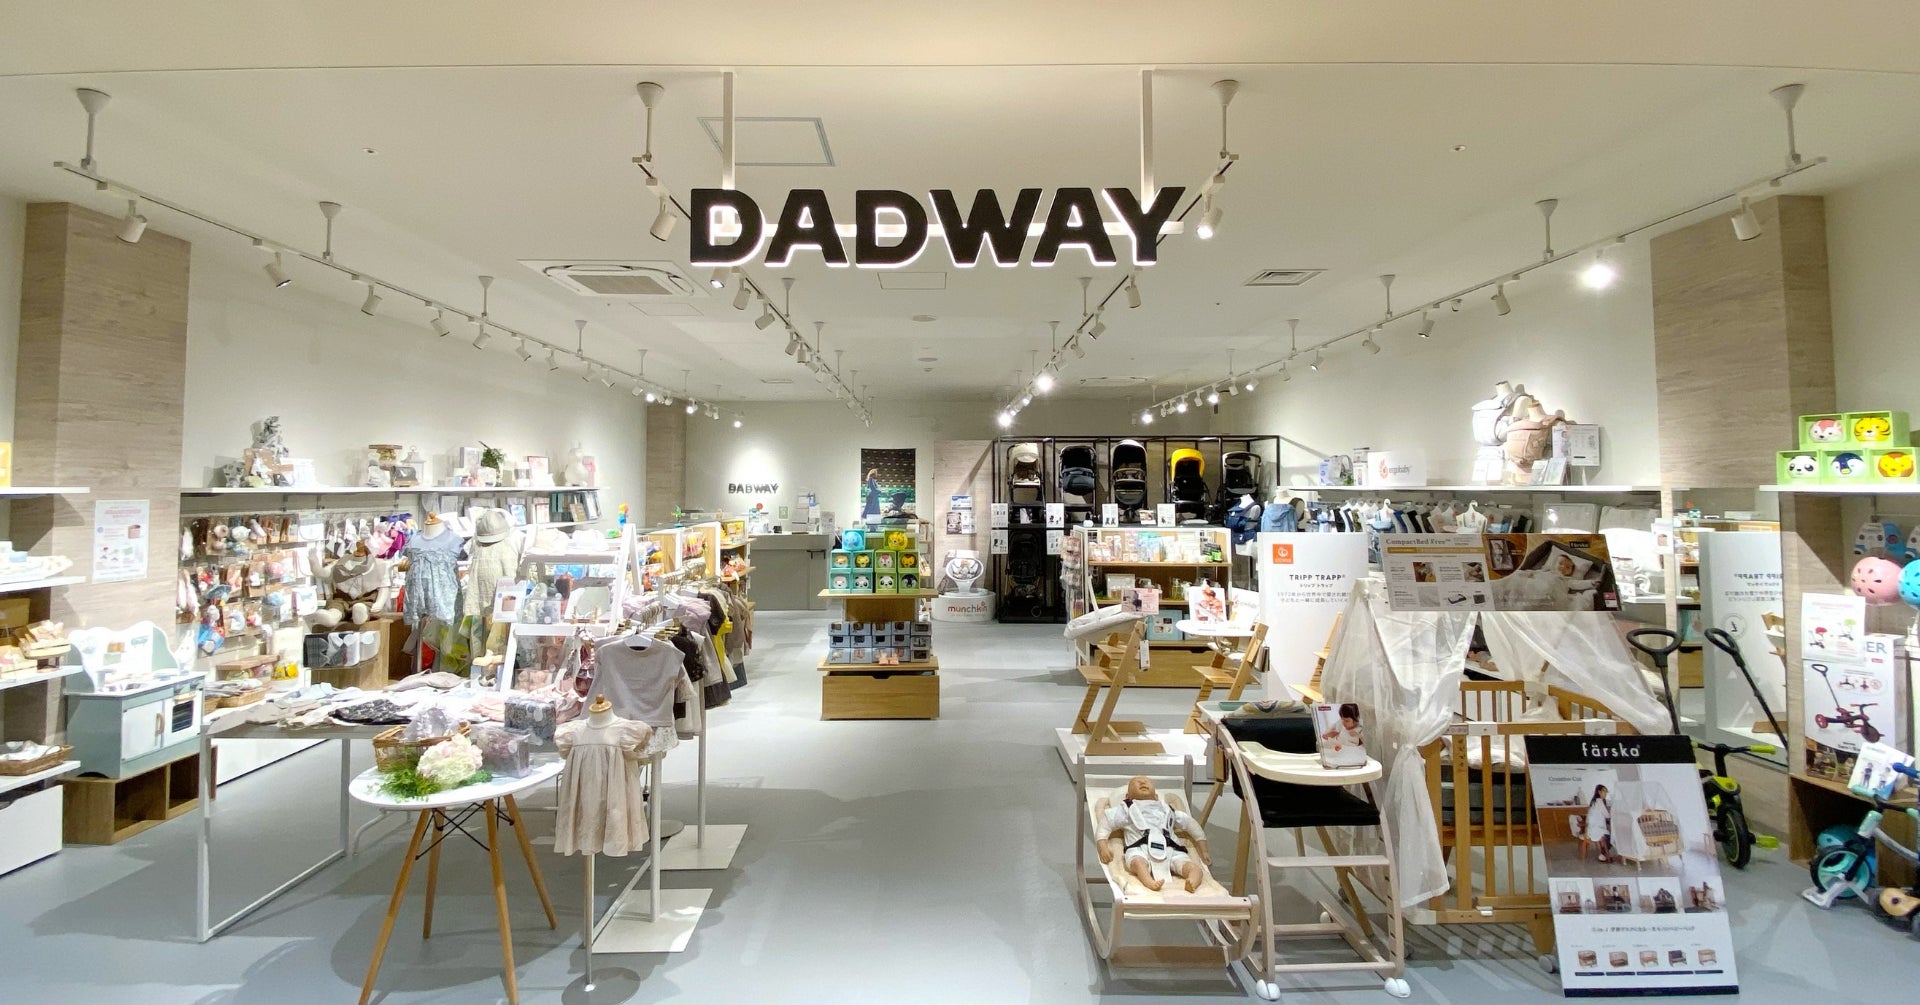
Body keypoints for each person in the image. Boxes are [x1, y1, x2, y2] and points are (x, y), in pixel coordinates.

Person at [1586, 784, 1614, 862]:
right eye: (1604, 791)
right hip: (1596, 829)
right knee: (1612, 838)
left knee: (1608, 836)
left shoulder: (1594, 801)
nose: (1606, 793)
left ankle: (1603, 855)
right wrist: (1613, 813)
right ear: (1599, 792)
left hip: (1593, 828)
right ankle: (1603, 855)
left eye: (1606, 791)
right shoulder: (1599, 801)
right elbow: (1607, 815)